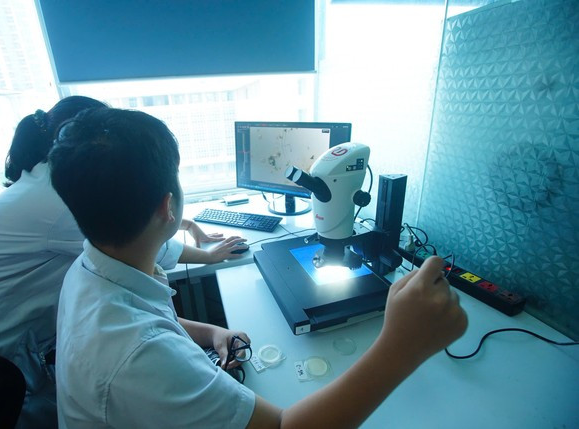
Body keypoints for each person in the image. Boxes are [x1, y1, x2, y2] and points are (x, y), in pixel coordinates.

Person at [49, 107, 468, 428]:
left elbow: (153, 321)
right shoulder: (142, 360)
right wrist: (403, 345)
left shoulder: (91, 268)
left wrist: (211, 332)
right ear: (167, 205)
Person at [0, 97, 246, 429]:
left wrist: (210, 330)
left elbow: (137, 215)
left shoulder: (83, 258)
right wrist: (208, 255)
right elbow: (145, 231)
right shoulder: (57, 208)